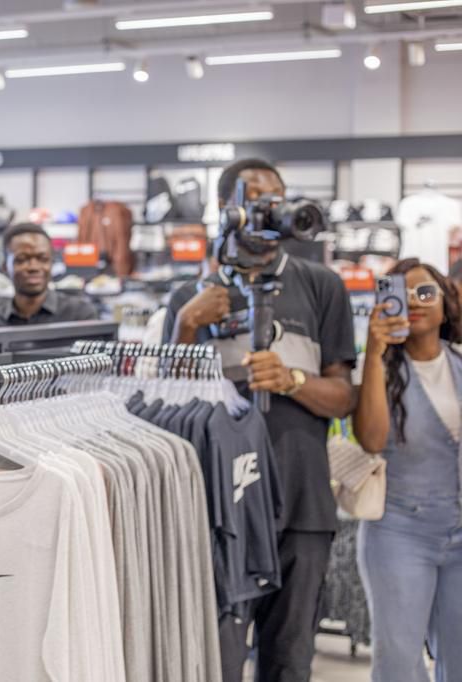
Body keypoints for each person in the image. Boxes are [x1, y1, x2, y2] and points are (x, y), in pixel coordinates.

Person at [162, 159, 357, 682]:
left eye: (279, 198)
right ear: (228, 209)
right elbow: (164, 407)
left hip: (302, 502)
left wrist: (292, 380)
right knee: (215, 658)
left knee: (290, 659)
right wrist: (186, 327)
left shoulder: (322, 286)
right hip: (217, 508)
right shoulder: (188, 299)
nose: (272, 210)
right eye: (258, 199)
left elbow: (344, 398)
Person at [353, 259, 462, 682]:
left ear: (445, 304)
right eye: (405, 292)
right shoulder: (382, 370)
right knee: (398, 663)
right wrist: (373, 351)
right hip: (399, 533)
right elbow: (373, 440)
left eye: (426, 292)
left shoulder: (458, 364)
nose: (415, 301)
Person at [0, 223, 98, 327]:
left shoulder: (80, 316)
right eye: (22, 259)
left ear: (51, 263)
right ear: (5, 267)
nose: (33, 267)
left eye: (43, 258)